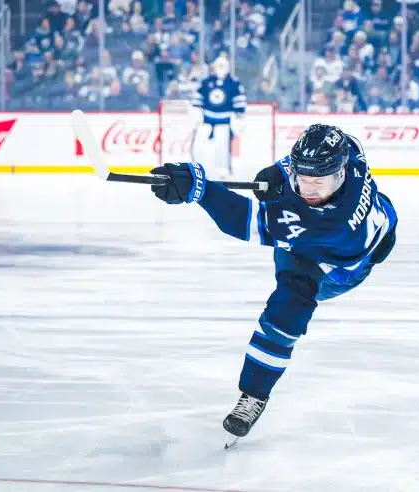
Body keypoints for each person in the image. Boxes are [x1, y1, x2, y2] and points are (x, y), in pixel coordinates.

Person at [149, 124, 399, 445]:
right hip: (376, 231)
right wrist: (281, 171)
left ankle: (254, 394)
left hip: (336, 269)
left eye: (318, 182)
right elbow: (343, 143)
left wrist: (200, 190)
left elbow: (243, 221)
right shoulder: (348, 153)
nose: (308, 188)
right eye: (302, 178)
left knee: (288, 309)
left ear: (339, 175)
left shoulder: (331, 221)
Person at [190, 55, 246, 178]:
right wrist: (196, 115)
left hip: (224, 121)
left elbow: (239, 103)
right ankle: (198, 168)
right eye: (218, 66)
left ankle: (223, 168)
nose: (220, 69)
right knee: (199, 145)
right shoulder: (206, 82)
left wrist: (238, 119)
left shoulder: (233, 83)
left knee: (223, 145)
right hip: (207, 120)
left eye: (223, 66)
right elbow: (197, 100)